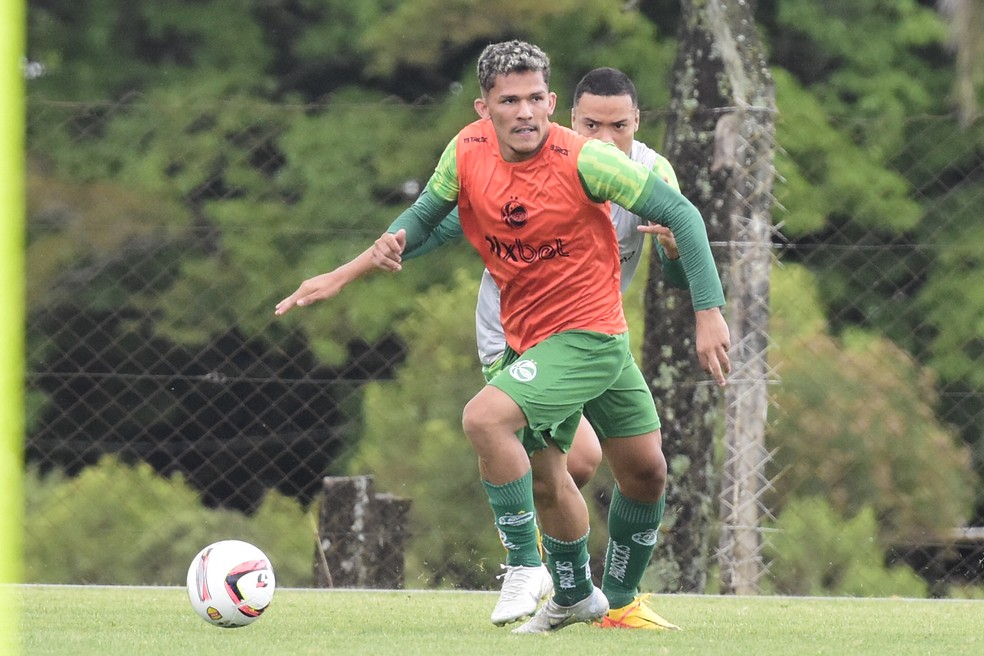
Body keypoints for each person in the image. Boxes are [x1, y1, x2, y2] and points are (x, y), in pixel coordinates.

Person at [278, 40, 730, 634]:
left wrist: (705, 308)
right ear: (485, 108)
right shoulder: (471, 153)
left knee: (636, 469)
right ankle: (551, 579)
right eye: (591, 122)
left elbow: (684, 227)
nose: (604, 135)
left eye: (534, 98)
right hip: (516, 336)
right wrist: (349, 270)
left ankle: (600, 597)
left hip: (591, 332)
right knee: (541, 455)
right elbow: (430, 224)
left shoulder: (616, 167)